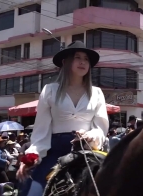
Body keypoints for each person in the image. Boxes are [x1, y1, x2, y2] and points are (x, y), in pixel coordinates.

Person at [16, 40, 109, 196]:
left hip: (87, 150)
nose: (83, 62)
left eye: (86, 59)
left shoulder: (97, 92)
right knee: (34, 192)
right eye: (77, 57)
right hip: (55, 153)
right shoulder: (50, 90)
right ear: (65, 62)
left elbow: (101, 127)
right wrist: (31, 158)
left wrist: (90, 136)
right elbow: (41, 131)